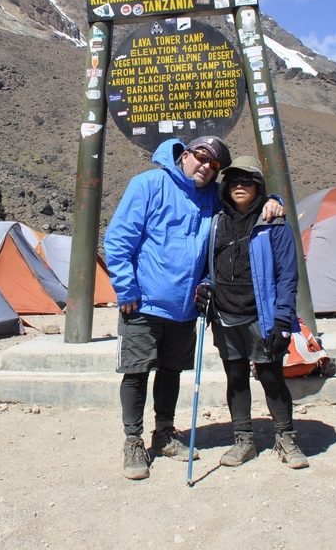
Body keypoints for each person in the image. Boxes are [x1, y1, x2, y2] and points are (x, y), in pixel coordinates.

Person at [104, 137, 284, 481]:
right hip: (143, 301)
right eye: (202, 157)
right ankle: (133, 440)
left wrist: (273, 201)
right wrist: (126, 288)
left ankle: (165, 433)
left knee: (171, 371)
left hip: (186, 307)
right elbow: (119, 238)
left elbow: (243, 203)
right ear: (186, 154)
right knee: (137, 370)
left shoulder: (211, 197)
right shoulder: (148, 184)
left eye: (215, 165)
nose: (206, 166)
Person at [195, 155, 310, 469]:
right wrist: (205, 287)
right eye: (233, 180)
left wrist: (283, 319)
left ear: (259, 186)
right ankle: (243, 440)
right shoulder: (217, 222)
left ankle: (286, 439)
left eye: (247, 180)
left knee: (271, 377)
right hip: (224, 315)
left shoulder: (274, 224)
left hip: (263, 316)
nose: (239, 186)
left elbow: (288, 275)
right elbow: (211, 266)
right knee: (236, 378)